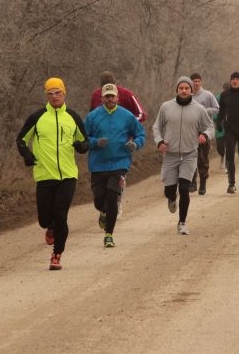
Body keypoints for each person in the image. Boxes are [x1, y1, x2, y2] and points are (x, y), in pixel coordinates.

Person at [16, 77, 89, 270]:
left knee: (61, 215)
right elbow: (21, 140)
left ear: (64, 93)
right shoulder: (37, 117)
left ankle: (57, 255)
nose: (55, 96)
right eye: (51, 93)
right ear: (46, 95)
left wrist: (81, 146)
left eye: (58, 92)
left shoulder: (73, 117)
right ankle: (50, 227)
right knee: (44, 219)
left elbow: (85, 142)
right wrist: (27, 155)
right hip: (44, 175)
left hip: (67, 175)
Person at [84, 83, 145, 248]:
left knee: (112, 198)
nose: (110, 99)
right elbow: (82, 138)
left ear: (117, 98)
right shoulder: (92, 117)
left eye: (113, 96)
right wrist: (96, 142)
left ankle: (109, 235)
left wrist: (135, 144)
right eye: (107, 96)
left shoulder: (127, 116)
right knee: (99, 201)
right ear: (102, 98)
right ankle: (102, 212)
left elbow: (140, 134)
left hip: (120, 162)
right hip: (98, 164)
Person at [153, 76, 214, 235]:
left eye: (187, 88)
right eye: (181, 88)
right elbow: (156, 127)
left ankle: (182, 222)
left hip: (189, 154)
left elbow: (209, 127)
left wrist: (205, 136)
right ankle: (172, 198)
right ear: (177, 90)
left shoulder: (199, 109)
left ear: (191, 90)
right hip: (170, 155)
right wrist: (159, 141)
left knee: (185, 188)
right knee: (169, 190)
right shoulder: (166, 107)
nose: (184, 91)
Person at [90, 71, 147, 219]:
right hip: (101, 150)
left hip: (123, 144)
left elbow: (141, 114)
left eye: (111, 89)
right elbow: (91, 118)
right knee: (101, 195)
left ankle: (117, 201)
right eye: (104, 90)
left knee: (116, 181)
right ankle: (105, 208)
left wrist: (125, 124)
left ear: (116, 85)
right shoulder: (95, 95)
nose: (108, 96)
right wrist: (94, 140)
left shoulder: (126, 94)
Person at [188, 73, 219, 195]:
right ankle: (192, 182)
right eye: (194, 81)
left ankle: (203, 183)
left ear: (201, 82)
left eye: (198, 81)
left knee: (203, 158)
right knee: (190, 157)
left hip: (205, 130)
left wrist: (204, 110)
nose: (196, 83)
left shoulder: (208, 95)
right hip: (190, 131)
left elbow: (217, 109)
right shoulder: (187, 95)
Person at [214, 82, 231, 172]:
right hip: (220, 124)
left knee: (229, 145)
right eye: (226, 90)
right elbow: (215, 110)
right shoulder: (217, 98)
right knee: (220, 147)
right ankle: (222, 156)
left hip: (230, 126)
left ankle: (227, 166)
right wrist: (217, 121)